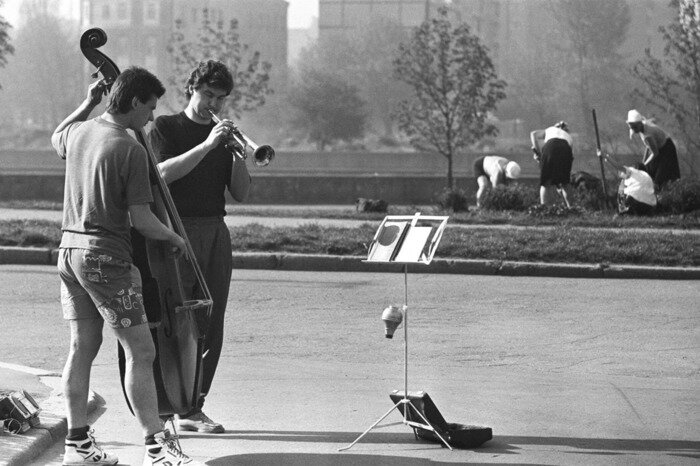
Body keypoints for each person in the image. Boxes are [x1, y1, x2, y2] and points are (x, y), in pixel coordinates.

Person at [52, 67, 202, 466]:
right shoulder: (130, 148)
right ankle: (157, 447)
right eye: (149, 108)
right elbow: (142, 219)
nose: (151, 118)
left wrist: (87, 102)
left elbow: (56, 136)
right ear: (135, 102)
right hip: (105, 257)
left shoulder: (80, 132)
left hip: (69, 252)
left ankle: (76, 444)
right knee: (142, 350)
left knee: (82, 346)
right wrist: (174, 238)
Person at [148, 60, 251, 433]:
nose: (214, 104)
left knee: (212, 320)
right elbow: (161, 173)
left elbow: (239, 193)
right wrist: (209, 145)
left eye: (221, 98)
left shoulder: (225, 138)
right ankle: (169, 405)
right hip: (176, 228)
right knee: (176, 317)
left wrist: (239, 156)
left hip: (215, 231)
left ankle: (194, 406)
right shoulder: (166, 127)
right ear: (192, 88)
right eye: (208, 94)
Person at [625, 109, 681, 189]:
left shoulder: (648, 135)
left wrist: (644, 165)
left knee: (661, 175)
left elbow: (655, 153)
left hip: (667, 149)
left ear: (639, 124)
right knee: (649, 168)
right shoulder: (642, 127)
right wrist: (644, 162)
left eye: (634, 127)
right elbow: (648, 147)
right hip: (658, 148)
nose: (634, 130)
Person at [597, 150, 657, 215]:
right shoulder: (647, 176)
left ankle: (620, 214)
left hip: (634, 200)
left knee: (622, 191)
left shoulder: (633, 170)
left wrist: (606, 157)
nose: (621, 174)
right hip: (649, 206)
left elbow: (618, 167)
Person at [531, 121, 574, 208]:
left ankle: (545, 209)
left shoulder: (550, 129)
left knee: (546, 183)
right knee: (565, 183)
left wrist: (538, 152)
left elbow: (533, 134)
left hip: (551, 145)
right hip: (566, 148)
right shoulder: (569, 137)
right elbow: (571, 157)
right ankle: (571, 208)